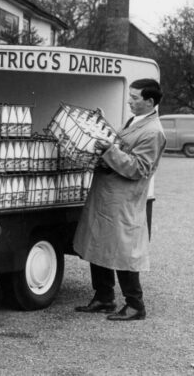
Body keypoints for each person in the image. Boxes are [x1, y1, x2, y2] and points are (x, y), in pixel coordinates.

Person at [73, 78, 166, 321]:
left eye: (135, 98)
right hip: (108, 193)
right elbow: (123, 144)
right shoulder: (137, 122)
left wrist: (108, 150)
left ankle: (135, 305)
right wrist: (102, 125)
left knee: (123, 250)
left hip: (123, 198)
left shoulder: (153, 132)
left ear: (150, 101)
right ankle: (104, 297)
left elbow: (138, 167)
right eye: (130, 97)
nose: (129, 101)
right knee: (99, 244)